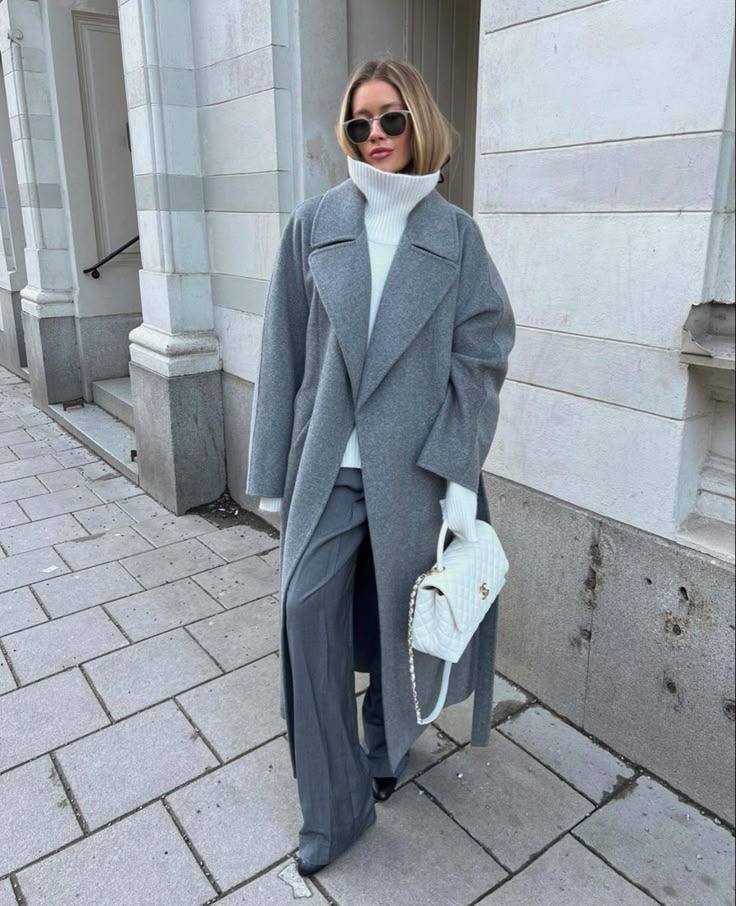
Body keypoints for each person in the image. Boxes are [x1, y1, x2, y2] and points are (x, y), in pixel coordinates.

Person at [245, 58, 516, 876]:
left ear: (418, 120)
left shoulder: (456, 236)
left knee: (400, 624)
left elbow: (482, 353)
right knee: (306, 614)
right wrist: (271, 474)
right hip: (327, 466)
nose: (375, 136)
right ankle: (335, 811)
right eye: (359, 123)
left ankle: (383, 747)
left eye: (390, 118)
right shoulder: (314, 224)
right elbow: (282, 351)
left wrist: (459, 472)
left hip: (418, 474)